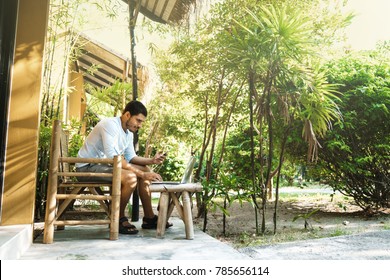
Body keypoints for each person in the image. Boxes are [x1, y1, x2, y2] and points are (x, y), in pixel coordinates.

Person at [76, 100, 171, 234]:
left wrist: (152, 160)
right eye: (138, 120)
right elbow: (114, 159)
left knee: (144, 168)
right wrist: (142, 175)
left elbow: (131, 157)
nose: (140, 125)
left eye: (142, 122)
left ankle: (149, 218)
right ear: (127, 115)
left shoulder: (128, 133)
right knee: (131, 177)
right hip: (87, 167)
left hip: (102, 165)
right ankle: (118, 218)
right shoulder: (110, 125)